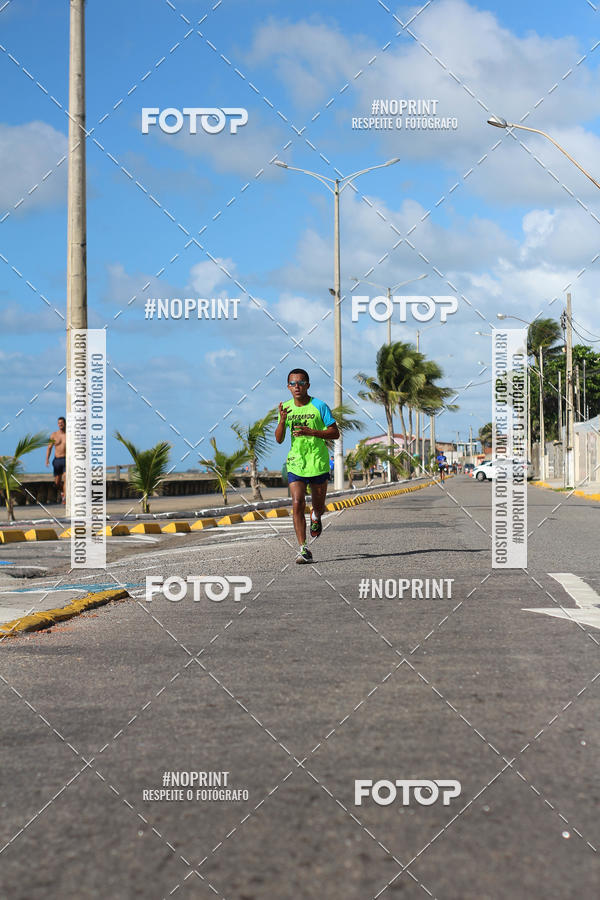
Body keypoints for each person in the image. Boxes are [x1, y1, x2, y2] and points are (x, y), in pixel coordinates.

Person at [275, 369, 339, 564]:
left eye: (301, 383)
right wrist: (283, 421)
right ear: (288, 387)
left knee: (318, 506)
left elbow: (334, 433)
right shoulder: (285, 408)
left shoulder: (319, 406)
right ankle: (303, 549)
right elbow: (279, 439)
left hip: (318, 462)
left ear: (308, 385)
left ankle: (316, 515)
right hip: (296, 463)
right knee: (297, 503)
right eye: (293, 383)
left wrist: (313, 432)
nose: (297, 387)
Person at [46, 416, 66, 503]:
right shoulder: (54, 435)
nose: (60, 424)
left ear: (65, 423)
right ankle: (62, 492)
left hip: (66, 459)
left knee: (66, 478)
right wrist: (47, 459)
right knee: (57, 483)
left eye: (62, 423)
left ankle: (65, 498)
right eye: (59, 423)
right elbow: (49, 448)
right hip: (57, 460)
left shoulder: (69, 434)